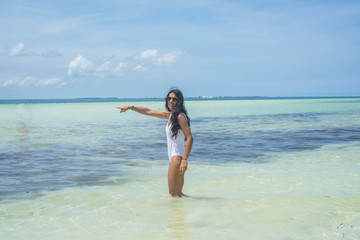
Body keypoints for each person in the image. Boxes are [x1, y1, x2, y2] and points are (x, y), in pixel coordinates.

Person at [116, 88, 193, 197]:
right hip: (175, 158)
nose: (170, 101)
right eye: (168, 98)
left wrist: (184, 160)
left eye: (174, 99)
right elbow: (148, 111)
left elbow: (190, 138)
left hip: (177, 158)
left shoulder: (180, 116)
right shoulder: (171, 115)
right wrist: (130, 107)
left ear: (179, 101)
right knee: (177, 195)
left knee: (174, 194)